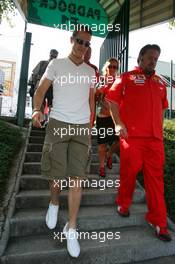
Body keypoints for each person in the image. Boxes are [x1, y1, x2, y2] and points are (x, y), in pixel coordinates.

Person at [32, 24, 95, 257]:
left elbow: (91, 102)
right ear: (72, 40)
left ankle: (72, 227)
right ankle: (55, 202)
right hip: (58, 123)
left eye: (87, 44)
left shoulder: (90, 72)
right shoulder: (56, 64)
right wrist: (37, 110)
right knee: (56, 177)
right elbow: (40, 90)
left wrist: (90, 126)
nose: (83, 47)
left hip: (81, 129)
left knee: (77, 179)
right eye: (80, 41)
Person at [106, 44, 172, 242]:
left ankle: (159, 222)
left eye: (156, 57)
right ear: (141, 58)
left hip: (155, 140)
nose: (153, 60)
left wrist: (158, 129)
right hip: (132, 136)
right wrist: (118, 124)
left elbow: (162, 108)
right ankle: (123, 203)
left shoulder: (160, 83)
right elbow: (112, 101)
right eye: (150, 56)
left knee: (156, 180)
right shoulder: (126, 77)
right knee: (129, 171)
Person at [95, 58, 119, 177]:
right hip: (103, 116)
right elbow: (95, 96)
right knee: (102, 144)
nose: (113, 69)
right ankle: (101, 167)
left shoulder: (119, 81)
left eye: (115, 67)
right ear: (106, 68)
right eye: (110, 66)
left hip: (115, 118)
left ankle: (109, 155)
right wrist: (99, 91)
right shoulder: (101, 80)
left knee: (118, 141)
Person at [29, 49, 58, 113]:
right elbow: (33, 75)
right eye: (52, 56)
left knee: (52, 106)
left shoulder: (57, 67)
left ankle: (48, 120)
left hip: (51, 88)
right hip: (41, 86)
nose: (52, 57)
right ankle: (39, 120)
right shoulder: (42, 63)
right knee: (40, 105)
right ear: (49, 55)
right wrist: (32, 87)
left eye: (54, 56)